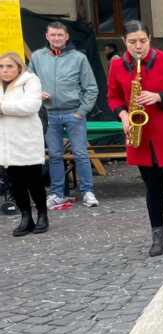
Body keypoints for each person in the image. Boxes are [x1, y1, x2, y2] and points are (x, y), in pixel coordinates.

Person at [107, 21, 163, 255]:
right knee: (152, 187)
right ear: (124, 41)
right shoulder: (117, 65)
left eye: (143, 41)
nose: (138, 46)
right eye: (132, 42)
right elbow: (113, 97)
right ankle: (158, 234)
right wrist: (123, 115)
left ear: (150, 39)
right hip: (142, 136)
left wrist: (159, 97)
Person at [30, 22, 99, 208]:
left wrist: (81, 111)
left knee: (81, 154)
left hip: (73, 113)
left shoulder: (79, 58)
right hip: (48, 115)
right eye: (53, 35)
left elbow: (91, 88)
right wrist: (37, 94)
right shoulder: (37, 57)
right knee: (54, 155)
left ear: (66, 37)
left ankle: (88, 192)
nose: (56, 38)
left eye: (60, 35)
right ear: (47, 36)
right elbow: (27, 83)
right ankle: (57, 194)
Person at [0, 52, 49, 236]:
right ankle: (25, 217)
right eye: (1, 67)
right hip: (6, 142)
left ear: (19, 67)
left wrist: (2, 108)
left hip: (27, 140)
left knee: (34, 181)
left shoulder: (30, 81)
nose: (4, 70)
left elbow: (30, 106)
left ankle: (42, 215)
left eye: (9, 66)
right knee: (15, 184)